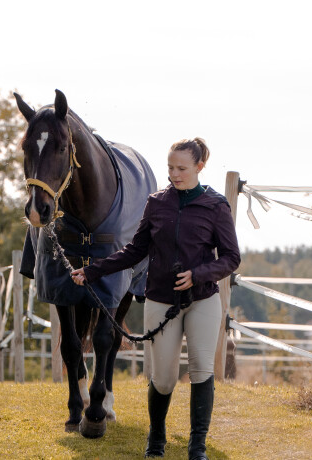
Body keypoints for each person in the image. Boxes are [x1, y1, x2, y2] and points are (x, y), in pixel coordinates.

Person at [70, 138, 240, 460]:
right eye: (170, 168)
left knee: (202, 369)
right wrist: (92, 271)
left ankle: (197, 447)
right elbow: (135, 250)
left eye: (182, 168)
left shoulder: (216, 206)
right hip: (160, 299)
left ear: (199, 167)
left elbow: (231, 258)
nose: (174, 174)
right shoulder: (156, 202)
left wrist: (199, 273)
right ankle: (157, 438)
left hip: (202, 299)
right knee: (162, 378)